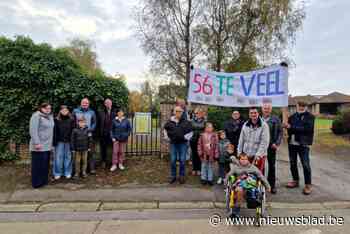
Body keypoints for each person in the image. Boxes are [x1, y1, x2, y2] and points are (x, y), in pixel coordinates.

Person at [225, 153, 271, 218]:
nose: (244, 161)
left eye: (245, 159)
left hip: (251, 184)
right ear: (239, 160)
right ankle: (235, 213)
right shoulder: (236, 168)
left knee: (252, 186)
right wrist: (226, 184)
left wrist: (268, 186)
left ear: (248, 160)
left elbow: (261, 176)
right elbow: (228, 175)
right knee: (239, 190)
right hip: (240, 185)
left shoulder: (253, 167)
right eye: (242, 159)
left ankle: (252, 201)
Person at [284, 101, 315, 195]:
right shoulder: (292, 117)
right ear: (297, 106)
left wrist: (291, 127)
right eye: (300, 106)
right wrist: (285, 128)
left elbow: (307, 129)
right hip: (292, 144)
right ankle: (295, 180)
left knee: (305, 164)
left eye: (303, 106)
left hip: (303, 144)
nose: (301, 107)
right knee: (292, 163)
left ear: (306, 107)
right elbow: (289, 129)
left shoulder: (310, 117)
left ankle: (308, 185)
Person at [164, 106, 193, 184]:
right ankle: (173, 176)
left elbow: (190, 132)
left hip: (182, 144)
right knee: (173, 160)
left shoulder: (186, 122)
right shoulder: (169, 122)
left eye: (180, 111)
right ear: (174, 112)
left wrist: (185, 138)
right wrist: (168, 138)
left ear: (182, 112)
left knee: (182, 160)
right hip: (173, 144)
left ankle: (181, 176)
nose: (178, 113)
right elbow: (165, 130)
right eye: (176, 111)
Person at [29, 103, 55, 188]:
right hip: (39, 145)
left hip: (47, 145)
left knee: (45, 165)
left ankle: (43, 181)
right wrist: (36, 143)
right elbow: (33, 130)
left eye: (49, 108)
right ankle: (36, 183)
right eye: (46, 108)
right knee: (37, 165)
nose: (48, 110)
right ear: (41, 108)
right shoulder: (36, 116)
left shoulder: (50, 116)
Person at [261, 103, 283, 194]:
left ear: (271, 109)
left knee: (272, 166)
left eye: (268, 108)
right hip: (261, 146)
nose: (266, 110)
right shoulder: (259, 119)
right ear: (262, 109)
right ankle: (261, 184)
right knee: (260, 166)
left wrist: (277, 143)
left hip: (271, 146)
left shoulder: (276, 119)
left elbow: (280, 132)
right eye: (265, 108)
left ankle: (271, 185)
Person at [72, 98, 97, 174]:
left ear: (88, 104)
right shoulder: (75, 111)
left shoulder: (92, 112)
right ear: (81, 103)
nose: (85, 104)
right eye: (83, 103)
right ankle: (76, 171)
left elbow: (94, 122)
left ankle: (91, 169)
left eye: (86, 103)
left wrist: (90, 129)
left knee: (90, 152)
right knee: (78, 155)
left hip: (88, 134)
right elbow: (72, 121)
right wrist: (75, 130)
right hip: (78, 135)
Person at [53, 105, 74, 180]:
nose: (64, 111)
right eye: (63, 110)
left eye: (66, 110)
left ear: (68, 111)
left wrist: (72, 142)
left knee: (68, 157)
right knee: (58, 157)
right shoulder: (56, 120)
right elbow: (55, 131)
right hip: (59, 141)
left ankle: (67, 172)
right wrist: (54, 142)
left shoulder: (71, 120)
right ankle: (57, 173)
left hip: (68, 141)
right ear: (60, 111)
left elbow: (73, 131)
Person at [97, 98, 116, 169]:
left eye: (109, 103)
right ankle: (104, 161)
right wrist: (99, 133)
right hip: (103, 133)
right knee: (103, 148)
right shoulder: (101, 112)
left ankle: (113, 162)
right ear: (104, 104)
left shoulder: (115, 112)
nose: (108, 104)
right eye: (106, 103)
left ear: (111, 103)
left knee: (114, 148)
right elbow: (98, 124)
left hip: (112, 134)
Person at [190, 107, 206, 176]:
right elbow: (189, 129)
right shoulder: (192, 121)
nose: (198, 114)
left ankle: (199, 169)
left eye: (200, 113)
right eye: (197, 113)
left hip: (201, 140)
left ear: (202, 114)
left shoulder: (205, 121)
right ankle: (194, 169)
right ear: (195, 114)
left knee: (200, 154)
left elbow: (206, 130)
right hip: (193, 139)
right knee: (194, 154)